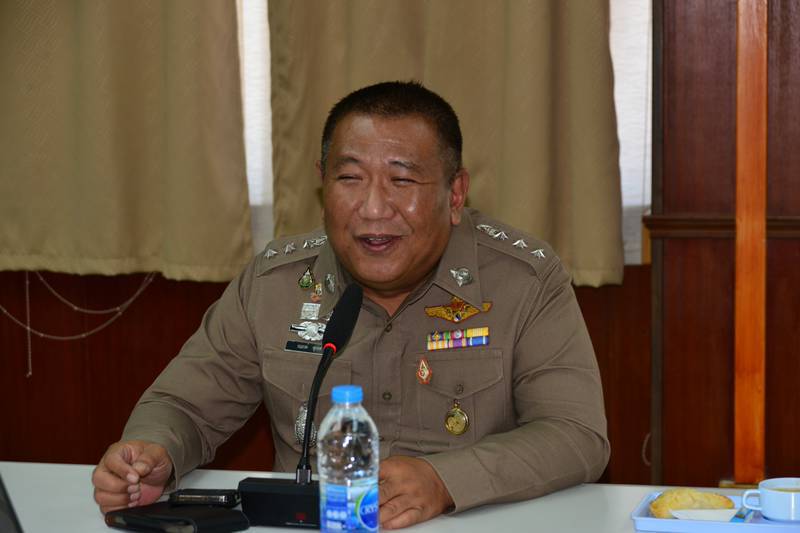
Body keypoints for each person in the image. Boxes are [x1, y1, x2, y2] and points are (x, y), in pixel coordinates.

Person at [92, 81, 609, 529]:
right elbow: (184, 405)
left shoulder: (524, 279)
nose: (373, 208)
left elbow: (576, 435)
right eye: (349, 178)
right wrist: (154, 452)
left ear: (455, 195)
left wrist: (444, 481)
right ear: (323, 185)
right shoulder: (276, 283)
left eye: (402, 180)